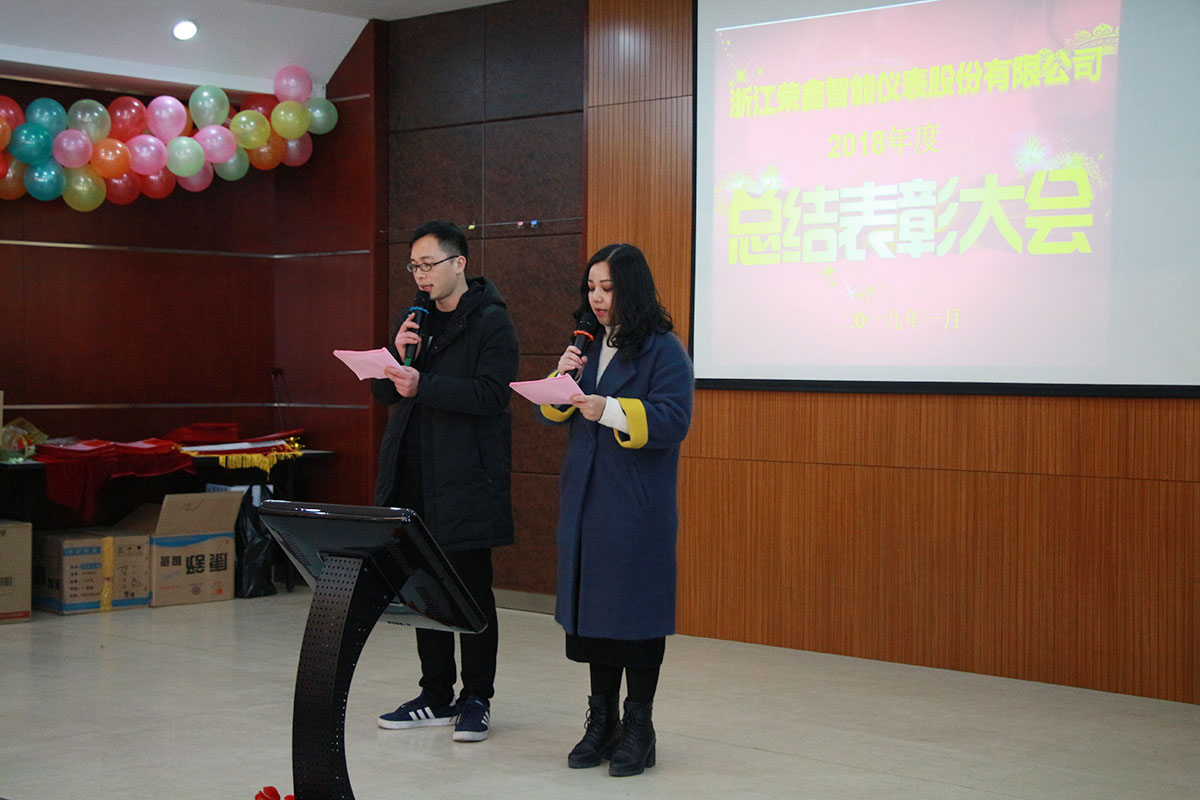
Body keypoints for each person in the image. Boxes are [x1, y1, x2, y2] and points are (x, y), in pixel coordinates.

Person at [540, 243, 694, 776]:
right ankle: (600, 721)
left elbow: (674, 419)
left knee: (637, 615)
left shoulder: (664, 349)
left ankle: (638, 727)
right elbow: (553, 413)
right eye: (591, 288)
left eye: (607, 288)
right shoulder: (585, 344)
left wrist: (609, 409)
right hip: (586, 502)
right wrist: (561, 379)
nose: (597, 298)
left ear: (632, 289)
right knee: (596, 616)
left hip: (635, 506)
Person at [372, 220, 519, 743]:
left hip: (465, 480)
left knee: (470, 591)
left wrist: (424, 383)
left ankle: (476, 698)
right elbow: (387, 395)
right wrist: (394, 358)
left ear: (459, 264)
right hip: (411, 477)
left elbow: (492, 396)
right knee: (422, 589)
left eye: (429, 264)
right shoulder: (414, 319)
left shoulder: (492, 322)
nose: (421, 275)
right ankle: (434, 693)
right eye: (414, 266)